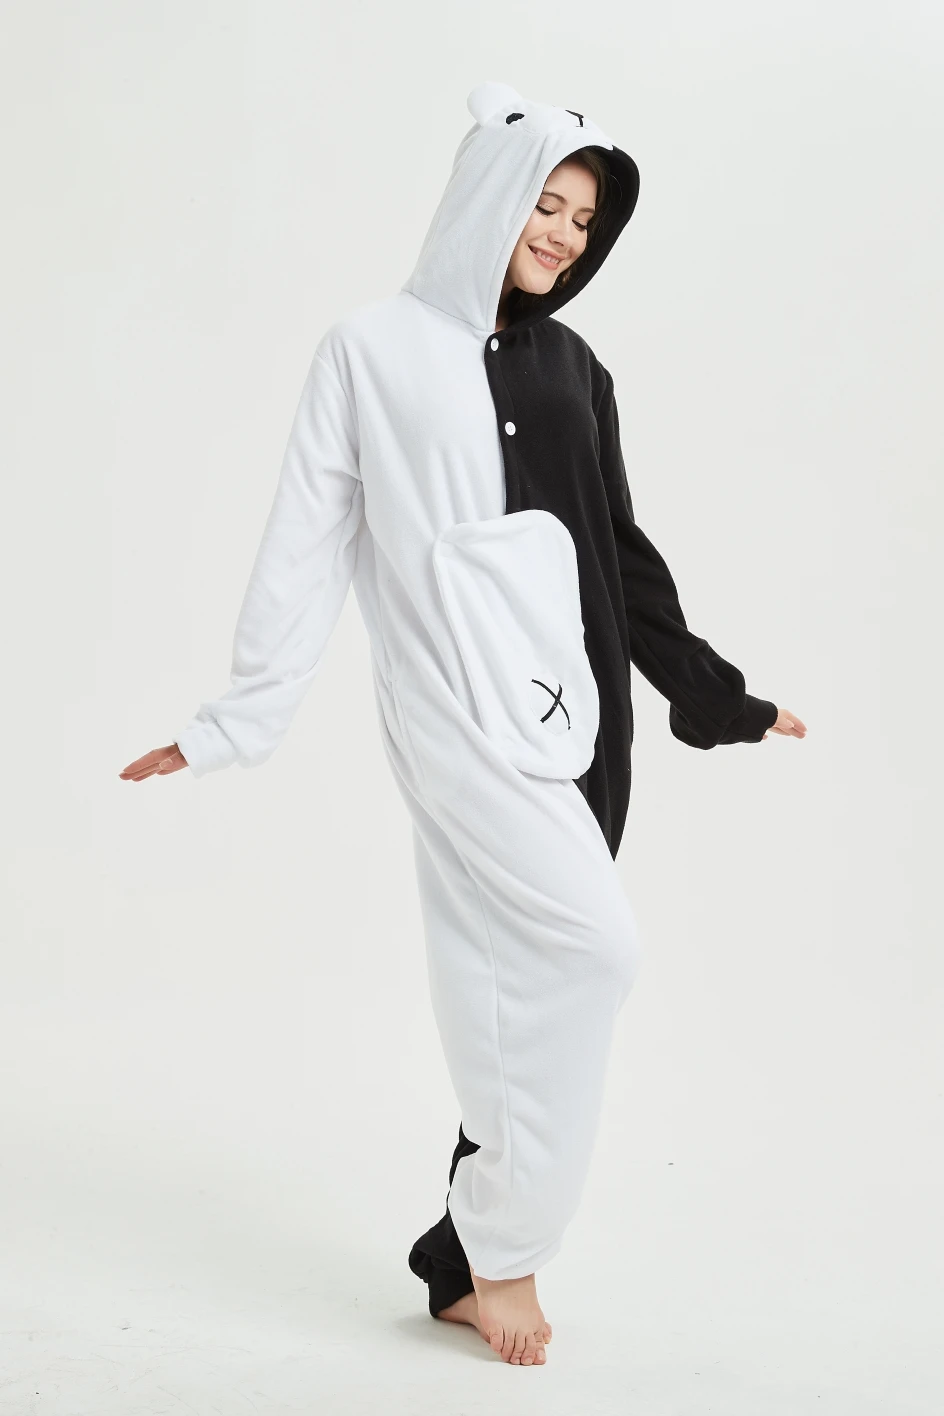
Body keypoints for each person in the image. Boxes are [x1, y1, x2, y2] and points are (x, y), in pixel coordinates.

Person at [120, 80, 807, 1368]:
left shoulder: (576, 367)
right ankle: (505, 1246)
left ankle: (453, 1259)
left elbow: (618, 549)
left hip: (581, 715)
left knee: (525, 970)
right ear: (489, 191)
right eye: (545, 202)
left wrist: (715, 694)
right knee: (593, 952)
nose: (561, 235)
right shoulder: (369, 350)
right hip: (450, 712)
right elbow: (306, 544)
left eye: (585, 221)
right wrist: (235, 720)